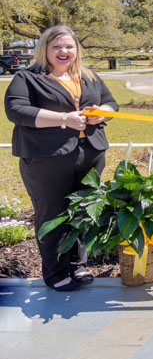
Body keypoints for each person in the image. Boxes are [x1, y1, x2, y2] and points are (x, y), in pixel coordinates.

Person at [4, 25, 118, 291]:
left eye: (69, 46)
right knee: (52, 215)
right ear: (45, 49)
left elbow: (112, 103)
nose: (63, 51)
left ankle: (78, 266)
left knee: (82, 212)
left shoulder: (89, 76)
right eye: (57, 47)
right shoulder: (28, 77)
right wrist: (64, 119)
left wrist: (102, 112)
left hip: (90, 154)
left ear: (77, 49)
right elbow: (16, 110)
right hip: (46, 158)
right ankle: (55, 272)